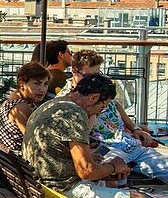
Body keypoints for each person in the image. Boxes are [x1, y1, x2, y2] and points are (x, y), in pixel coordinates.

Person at [23, 73, 149, 198]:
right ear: (93, 98)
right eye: (103, 105)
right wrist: (115, 166)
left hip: (42, 185)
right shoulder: (75, 114)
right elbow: (86, 171)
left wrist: (96, 162)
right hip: (62, 190)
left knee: (113, 183)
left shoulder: (52, 105)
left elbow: (67, 154)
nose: (102, 110)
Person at [60, 50, 168, 182]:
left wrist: (134, 128)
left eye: (98, 74)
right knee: (113, 180)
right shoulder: (71, 100)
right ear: (75, 71)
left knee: (165, 167)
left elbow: (115, 105)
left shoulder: (101, 87)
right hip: (106, 148)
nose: (96, 80)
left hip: (128, 143)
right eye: (89, 76)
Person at [0, 62, 49, 153]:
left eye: (45, 84)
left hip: (10, 160)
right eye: (37, 83)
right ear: (22, 84)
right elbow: (34, 141)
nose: (42, 89)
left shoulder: (13, 98)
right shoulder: (21, 107)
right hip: (19, 162)